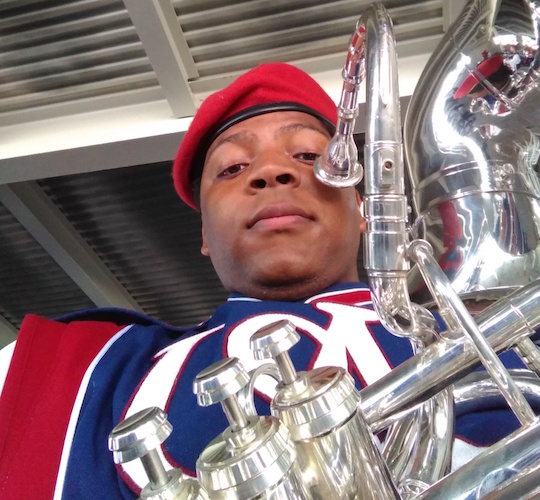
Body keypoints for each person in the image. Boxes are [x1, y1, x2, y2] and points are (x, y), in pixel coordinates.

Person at [0, 63, 532, 499]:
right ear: (205, 234)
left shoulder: (498, 330)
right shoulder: (82, 368)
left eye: (307, 156)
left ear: (365, 207)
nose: (270, 173)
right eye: (232, 168)